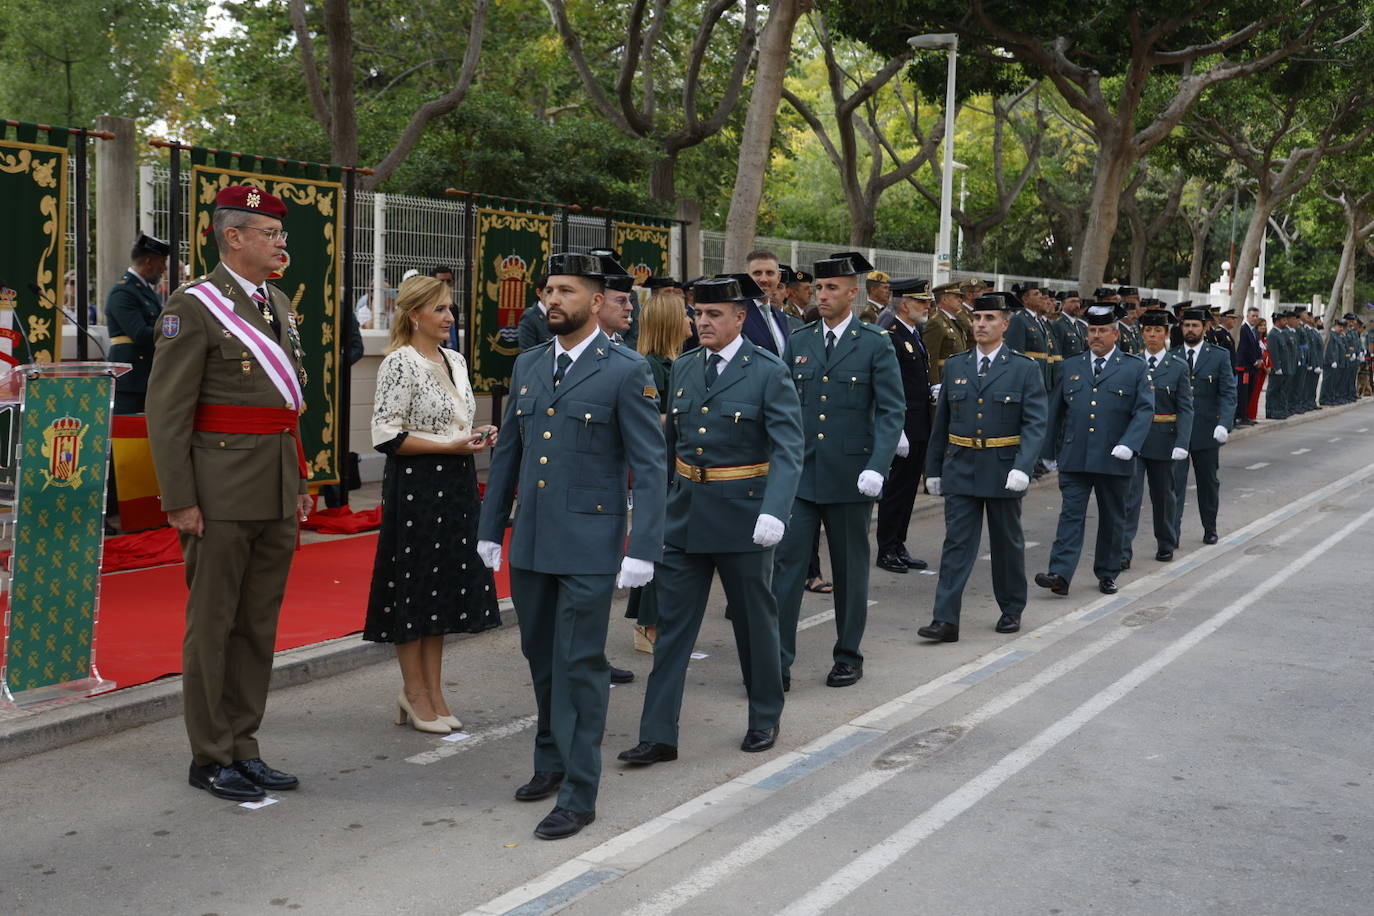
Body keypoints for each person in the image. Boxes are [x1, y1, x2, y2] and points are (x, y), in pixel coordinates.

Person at [476, 252, 666, 841]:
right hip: (532, 538)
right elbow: (508, 449)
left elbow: (650, 464)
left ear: (592, 299)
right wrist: (490, 528)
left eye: (565, 291)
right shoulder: (530, 363)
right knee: (539, 655)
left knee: (581, 665)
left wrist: (643, 547)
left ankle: (580, 793)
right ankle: (550, 762)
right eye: (548, 290)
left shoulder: (626, 369)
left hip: (589, 541)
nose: (552, 300)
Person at [145, 185, 311, 803]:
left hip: (274, 484)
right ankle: (209, 755)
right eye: (268, 233)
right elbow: (168, 413)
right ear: (232, 236)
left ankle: (245, 744)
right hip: (217, 490)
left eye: (280, 234)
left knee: (258, 624)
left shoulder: (279, 303)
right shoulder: (193, 307)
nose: (278, 243)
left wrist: (295, 486)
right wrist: (180, 500)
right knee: (213, 625)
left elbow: (286, 408)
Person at [618, 277, 803, 765]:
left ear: (740, 318)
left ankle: (765, 714)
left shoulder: (767, 371)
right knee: (672, 627)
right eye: (699, 314)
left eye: (715, 314)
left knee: (754, 623)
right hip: (686, 514)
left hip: (744, 514)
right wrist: (651, 517)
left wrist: (774, 509)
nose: (704, 322)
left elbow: (789, 448)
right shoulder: (682, 368)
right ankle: (659, 733)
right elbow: (669, 448)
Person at [363, 276, 500, 734]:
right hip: (416, 487)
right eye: (440, 309)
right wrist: (450, 447)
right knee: (414, 586)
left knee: (442, 589)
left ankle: (435, 692)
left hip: (457, 483)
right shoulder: (399, 363)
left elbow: (451, 422)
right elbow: (387, 435)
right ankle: (414, 692)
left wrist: (475, 435)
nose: (449, 318)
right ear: (414, 314)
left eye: (450, 309)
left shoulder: (455, 359)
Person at [772, 251, 904, 688]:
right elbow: (786, 407)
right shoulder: (801, 339)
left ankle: (848, 654)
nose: (822, 295)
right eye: (818, 288)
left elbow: (891, 410)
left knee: (849, 571)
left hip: (851, 478)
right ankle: (778, 658)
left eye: (832, 288)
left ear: (853, 293)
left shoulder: (874, 342)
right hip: (802, 477)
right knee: (788, 570)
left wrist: (877, 465)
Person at [918, 294, 1047, 642]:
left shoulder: (1023, 368)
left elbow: (1035, 424)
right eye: (977, 318)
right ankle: (945, 619)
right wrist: (933, 470)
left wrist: (1024, 466)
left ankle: (1011, 607)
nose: (981, 324)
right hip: (961, 467)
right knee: (956, 545)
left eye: (990, 318)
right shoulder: (957, 365)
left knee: (1006, 544)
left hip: (1004, 469)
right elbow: (941, 422)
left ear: (1005, 325)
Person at [1035, 304, 1154, 597]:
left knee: (1112, 518)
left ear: (1115, 333)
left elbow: (1144, 410)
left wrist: (1130, 443)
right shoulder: (1071, 365)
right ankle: (1060, 574)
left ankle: (1107, 572)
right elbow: (1055, 410)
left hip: (1115, 456)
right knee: (1070, 515)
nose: (1096, 336)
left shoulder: (1134, 366)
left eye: (1102, 331)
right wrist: (1048, 451)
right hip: (1076, 455)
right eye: (1092, 330)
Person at [623, 285, 692, 653]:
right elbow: (650, 419)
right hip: (660, 467)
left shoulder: (676, 362)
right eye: (684, 314)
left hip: (675, 464)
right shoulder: (653, 366)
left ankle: (654, 618)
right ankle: (647, 624)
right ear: (669, 322)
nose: (691, 320)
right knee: (657, 543)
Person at [1120, 310, 1194, 567]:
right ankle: (1122, 551)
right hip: (1136, 441)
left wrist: (1182, 443)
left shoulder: (1178, 366)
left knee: (1164, 496)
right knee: (1130, 497)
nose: (1152, 336)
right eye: (1148, 331)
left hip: (1164, 440)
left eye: (1158, 331)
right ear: (1142, 334)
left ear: (1165, 334)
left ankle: (1166, 542)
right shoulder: (1130, 363)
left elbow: (1185, 408)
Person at [875, 278, 933, 574]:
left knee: (909, 489)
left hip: (919, 424)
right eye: (921, 302)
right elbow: (888, 387)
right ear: (905, 304)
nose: (927, 306)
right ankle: (886, 548)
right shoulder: (891, 335)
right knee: (896, 489)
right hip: (902, 428)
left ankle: (899, 544)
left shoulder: (914, 333)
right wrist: (894, 429)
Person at [1171, 307, 1237, 545]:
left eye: (1195, 326)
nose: (1190, 330)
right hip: (1177, 433)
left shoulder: (1219, 356)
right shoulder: (1172, 355)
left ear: (1205, 328)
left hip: (1207, 431)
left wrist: (1224, 424)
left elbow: (1228, 393)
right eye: (1186, 325)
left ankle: (1210, 527)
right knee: (1173, 486)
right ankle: (1171, 534)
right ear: (1181, 328)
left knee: (1208, 483)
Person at [106, 233, 170, 414]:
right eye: (161, 262)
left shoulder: (144, 291)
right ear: (149, 262)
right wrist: (175, 333)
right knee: (127, 436)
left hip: (147, 376)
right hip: (130, 381)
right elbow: (140, 333)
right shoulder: (123, 292)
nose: (164, 269)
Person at [923, 281, 972, 390]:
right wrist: (934, 385)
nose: (960, 300)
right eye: (956, 297)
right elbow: (931, 357)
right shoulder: (936, 323)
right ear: (944, 299)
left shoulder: (954, 321)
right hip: (943, 379)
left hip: (956, 377)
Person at [744, 249, 792, 358]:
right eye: (757, 273)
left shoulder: (781, 317)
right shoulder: (737, 315)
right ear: (748, 276)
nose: (763, 279)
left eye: (770, 273)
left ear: (778, 277)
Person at [517, 275, 553, 351]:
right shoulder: (529, 317)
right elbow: (528, 355)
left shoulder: (560, 314)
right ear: (539, 293)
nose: (554, 296)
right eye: (549, 291)